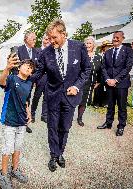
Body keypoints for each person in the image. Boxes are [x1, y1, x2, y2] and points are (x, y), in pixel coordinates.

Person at [31, 19, 91, 171]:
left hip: (70, 98)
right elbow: (38, 73)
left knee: (65, 127)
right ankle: (53, 155)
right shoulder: (45, 53)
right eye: (49, 38)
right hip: (53, 96)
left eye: (54, 38)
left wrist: (77, 86)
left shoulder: (78, 47)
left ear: (63, 34)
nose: (51, 41)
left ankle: (60, 153)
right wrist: (21, 77)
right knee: (52, 127)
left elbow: (87, 70)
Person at [0, 55, 35, 189]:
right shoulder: (12, 79)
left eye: (31, 68)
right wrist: (7, 68)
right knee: (8, 148)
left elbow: (26, 100)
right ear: (19, 67)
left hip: (22, 121)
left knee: (18, 147)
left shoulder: (30, 83)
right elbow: (2, 82)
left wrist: (29, 113)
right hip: (9, 119)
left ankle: (15, 170)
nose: (29, 68)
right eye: (26, 65)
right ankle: (3, 174)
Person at [97, 31, 133, 136]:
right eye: (114, 37)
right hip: (109, 83)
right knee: (110, 105)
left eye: (118, 37)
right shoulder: (108, 52)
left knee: (122, 107)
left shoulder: (128, 51)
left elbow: (127, 67)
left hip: (121, 84)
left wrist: (116, 80)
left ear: (123, 38)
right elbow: (103, 67)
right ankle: (108, 123)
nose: (115, 39)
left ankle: (121, 126)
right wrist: (108, 79)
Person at [77, 36, 102, 126]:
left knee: (84, 101)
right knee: (73, 99)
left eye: (90, 43)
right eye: (86, 43)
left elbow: (100, 70)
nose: (88, 45)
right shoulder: (80, 54)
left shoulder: (98, 57)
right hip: (78, 81)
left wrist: (98, 81)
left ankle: (79, 118)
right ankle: (67, 116)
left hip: (90, 83)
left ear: (93, 45)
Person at [17, 31, 38, 133]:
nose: (35, 40)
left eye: (35, 38)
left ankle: (25, 123)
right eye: (33, 38)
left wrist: (33, 79)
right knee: (18, 101)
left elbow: (37, 67)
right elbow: (15, 66)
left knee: (27, 101)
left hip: (30, 82)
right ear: (26, 39)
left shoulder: (36, 51)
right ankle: (17, 122)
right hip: (20, 81)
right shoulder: (19, 50)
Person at [30, 34, 50, 123]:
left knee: (47, 97)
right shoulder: (36, 51)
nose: (47, 41)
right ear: (42, 40)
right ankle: (32, 114)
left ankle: (44, 115)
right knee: (37, 96)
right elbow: (33, 65)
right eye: (46, 39)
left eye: (49, 39)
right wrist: (34, 79)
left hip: (49, 77)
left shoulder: (52, 51)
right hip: (40, 77)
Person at [92, 40, 112, 108]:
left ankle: (105, 102)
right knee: (98, 88)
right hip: (99, 74)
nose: (108, 48)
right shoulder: (99, 55)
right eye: (107, 46)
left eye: (109, 46)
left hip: (108, 74)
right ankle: (96, 103)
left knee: (107, 88)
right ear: (104, 47)